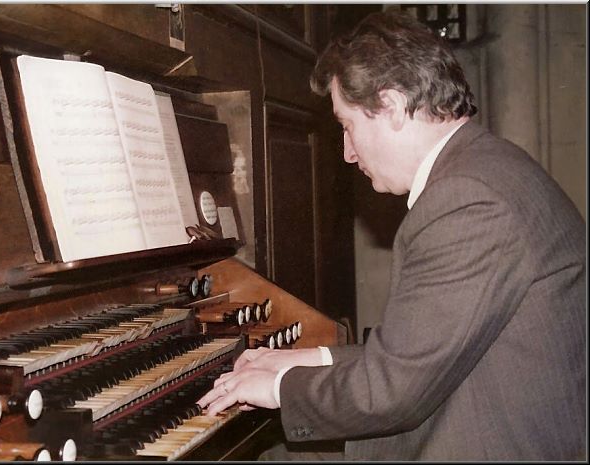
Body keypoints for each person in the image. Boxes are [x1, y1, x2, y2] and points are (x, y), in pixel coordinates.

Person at [197, 9, 586, 461]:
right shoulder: (483, 167)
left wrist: (279, 385)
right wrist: (309, 359)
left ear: (394, 107)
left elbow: (393, 390)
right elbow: (418, 350)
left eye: (347, 126)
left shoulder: (467, 198)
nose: (346, 152)